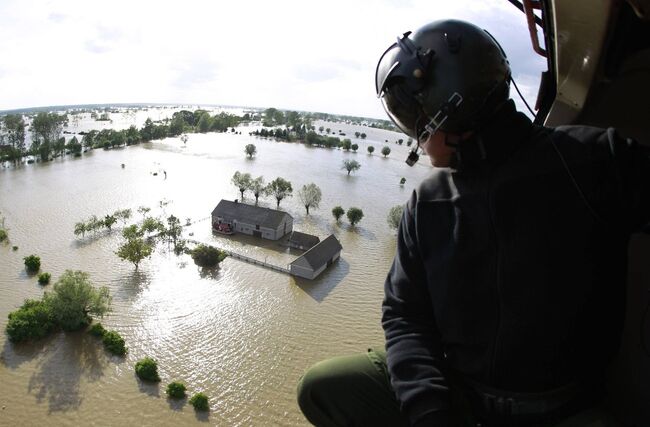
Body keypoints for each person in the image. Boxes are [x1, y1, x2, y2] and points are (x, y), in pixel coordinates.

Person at [297, 19, 650, 426]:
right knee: (323, 386)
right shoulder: (428, 203)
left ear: (450, 108)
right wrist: (429, 409)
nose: (414, 132)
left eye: (414, 115)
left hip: (566, 410)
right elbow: (405, 316)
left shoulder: (595, 161)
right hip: (459, 400)